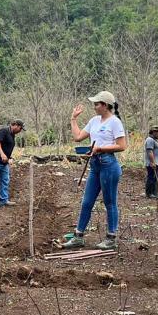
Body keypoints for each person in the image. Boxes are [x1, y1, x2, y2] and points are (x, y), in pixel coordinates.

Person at [60, 91, 127, 250]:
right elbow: (77, 137)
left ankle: (111, 238)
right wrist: (73, 118)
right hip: (95, 164)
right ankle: (78, 237)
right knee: (87, 201)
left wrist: (100, 148)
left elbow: (122, 146)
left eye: (97, 104)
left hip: (108, 165)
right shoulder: (94, 120)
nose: (94, 107)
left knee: (110, 202)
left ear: (105, 105)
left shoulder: (115, 122)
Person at [144, 126, 158, 199]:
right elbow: (150, 151)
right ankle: (149, 194)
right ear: (153, 132)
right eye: (157, 132)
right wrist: (152, 162)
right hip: (151, 163)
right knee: (151, 178)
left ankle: (155, 193)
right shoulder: (149, 140)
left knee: (155, 178)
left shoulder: (154, 140)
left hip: (156, 162)